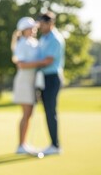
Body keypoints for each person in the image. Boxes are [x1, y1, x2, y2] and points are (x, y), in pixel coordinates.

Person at [17, 11, 65, 156]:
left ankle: (55, 145)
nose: (40, 27)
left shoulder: (54, 39)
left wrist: (29, 65)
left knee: (51, 111)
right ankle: (52, 144)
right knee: (48, 111)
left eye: (43, 25)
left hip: (52, 77)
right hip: (43, 78)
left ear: (50, 24)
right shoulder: (44, 38)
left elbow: (48, 61)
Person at [11, 17, 40, 155]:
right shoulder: (22, 44)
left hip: (32, 81)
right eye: (31, 27)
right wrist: (43, 63)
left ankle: (24, 143)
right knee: (26, 113)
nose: (34, 29)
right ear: (24, 30)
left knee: (29, 113)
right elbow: (21, 64)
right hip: (24, 81)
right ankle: (21, 145)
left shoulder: (33, 42)